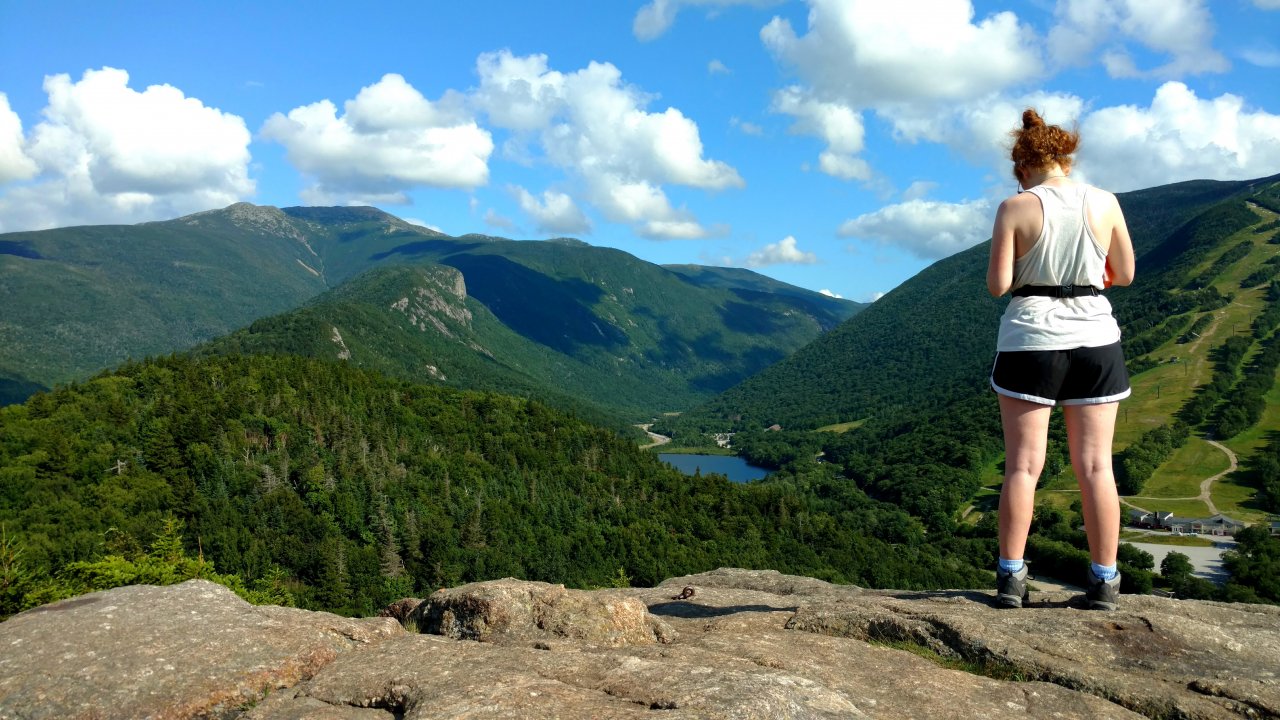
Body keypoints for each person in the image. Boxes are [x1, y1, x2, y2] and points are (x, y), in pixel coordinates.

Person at [986, 108, 1136, 610]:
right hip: (1095, 334)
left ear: (1022, 166)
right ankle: (1105, 580)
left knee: (1023, 467)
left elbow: (998, 286)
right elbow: (1126, 273)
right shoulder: (1106, 202)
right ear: (1065, 159)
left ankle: (1011, 579)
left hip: (1032, 338)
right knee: (1096, 466)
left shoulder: (1015, 207)